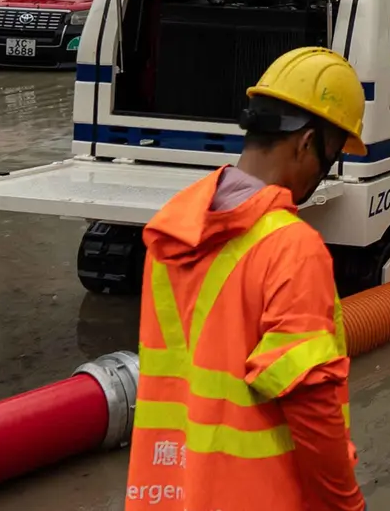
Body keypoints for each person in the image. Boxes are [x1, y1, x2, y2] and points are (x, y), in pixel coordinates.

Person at [125, 46, 369, 511]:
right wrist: (346, 504)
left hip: (175, 494)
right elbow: (311, 403)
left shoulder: (171, 232)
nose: (324, 174)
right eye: (331, 156)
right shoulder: (291, 248)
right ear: (306, 143)